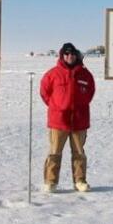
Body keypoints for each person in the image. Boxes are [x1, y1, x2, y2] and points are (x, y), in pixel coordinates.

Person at [40, 42, 96, 193]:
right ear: (62, 55)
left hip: (79, 120)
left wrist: (81, 105)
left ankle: (80, 181)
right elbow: (45, 92)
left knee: (79, 152)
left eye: (72, 54)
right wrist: (55, 106)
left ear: (76, 55)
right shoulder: (53, 74)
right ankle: (50, 182)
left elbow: (90, 92)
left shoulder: (85, 74)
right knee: (55, 152)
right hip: (58, 121)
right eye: (66, 54)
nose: (69, 56)